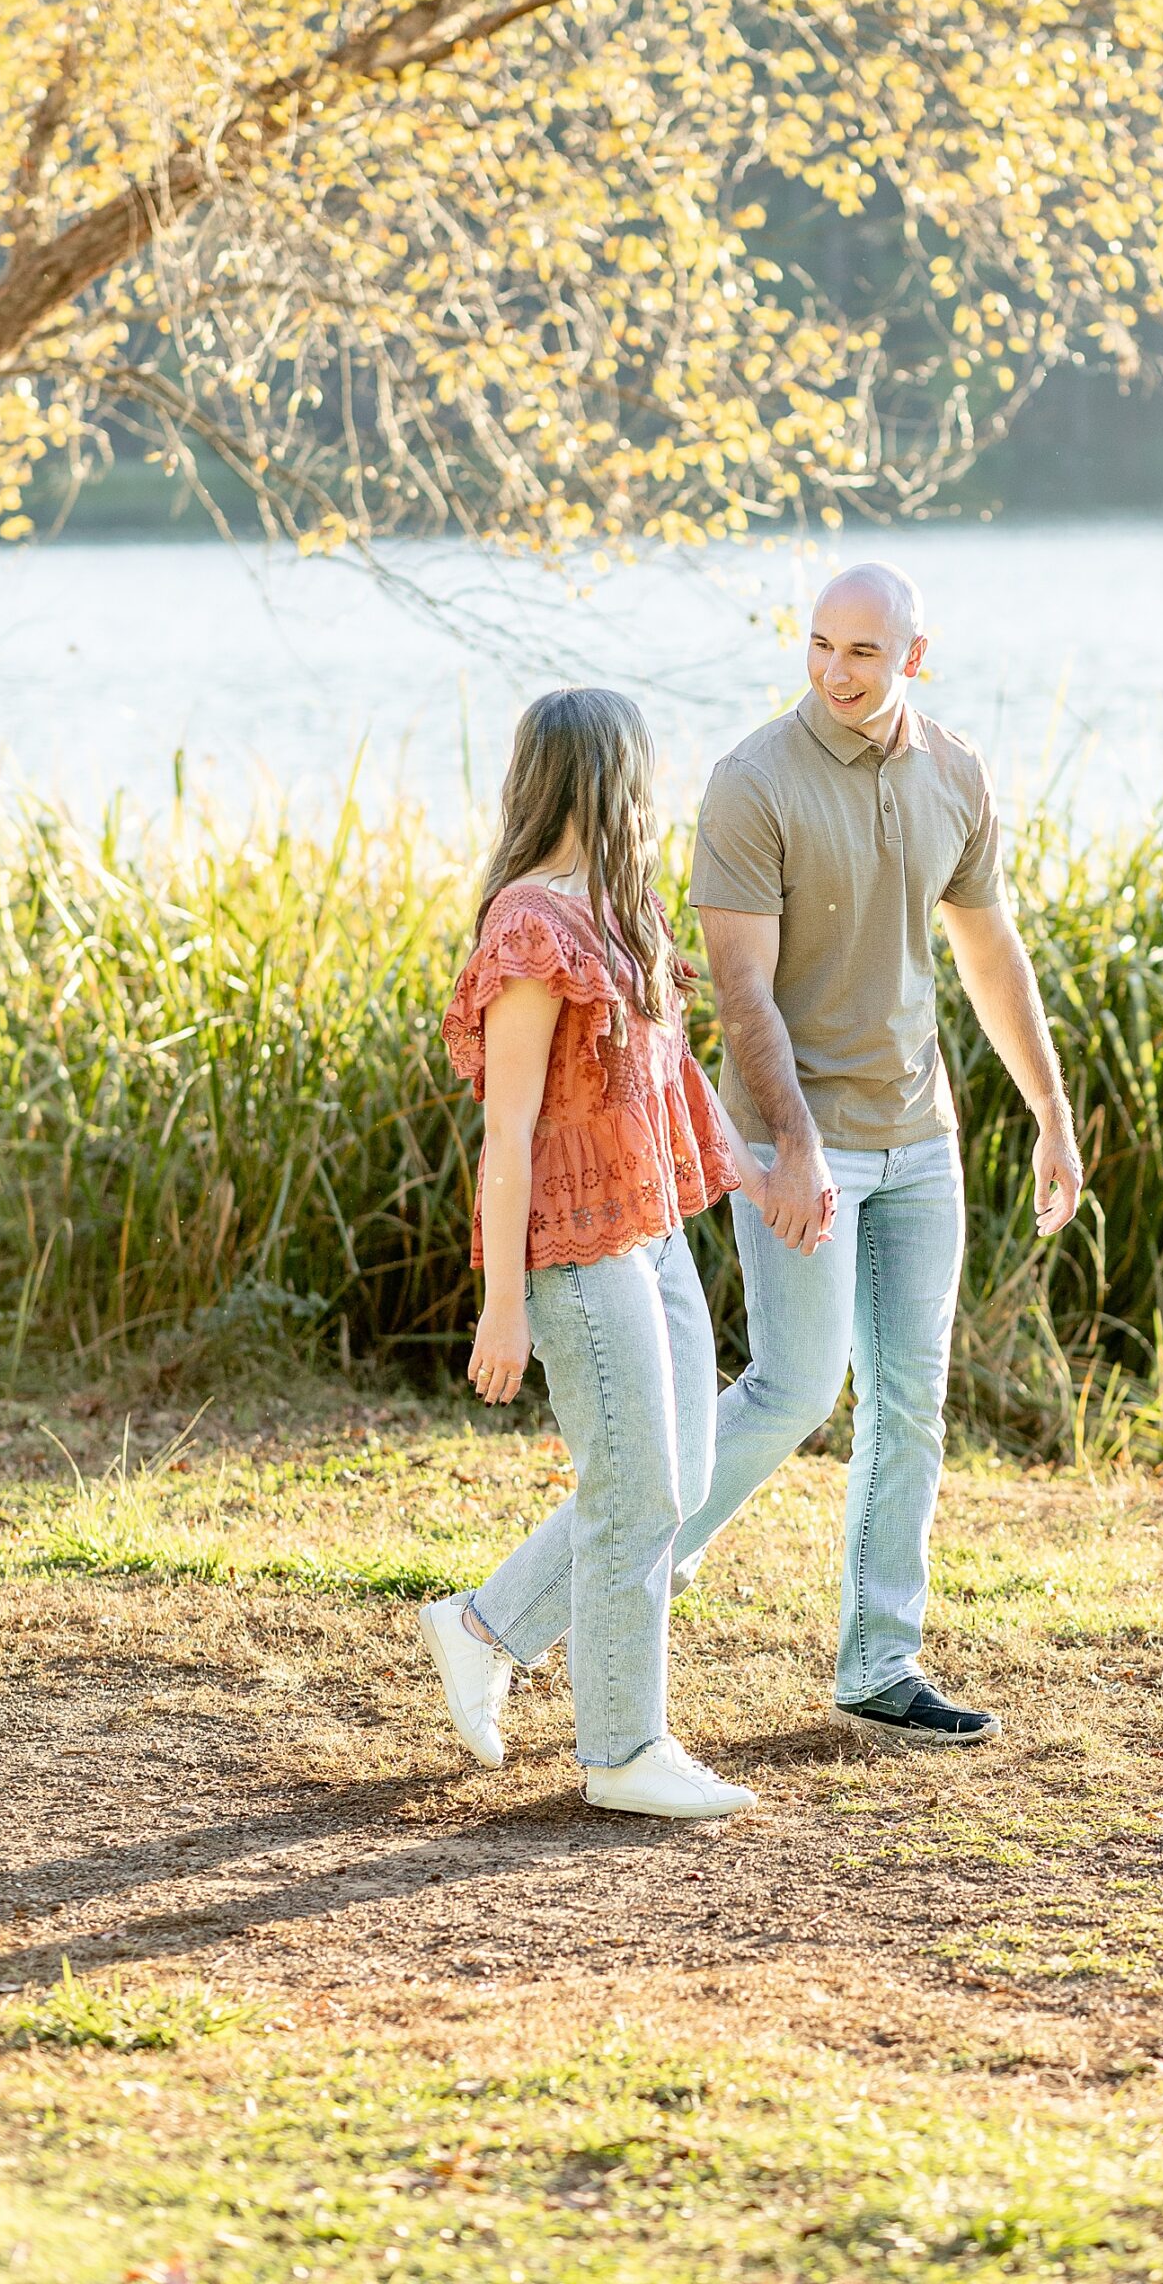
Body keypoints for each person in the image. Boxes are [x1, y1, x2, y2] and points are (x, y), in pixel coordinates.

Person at [671, 558, 1083, 1750]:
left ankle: (880, 1660)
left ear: (914, 654)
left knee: (911, 1402)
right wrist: (793, 1146)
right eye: (819, 645)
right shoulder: (754, 780)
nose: (835, 671)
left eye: (862, 651)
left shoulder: (955, 770)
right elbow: (742, 993)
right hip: (800, 1141)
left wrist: (1048, 1109)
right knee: (790, 1389)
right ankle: (600, 1581)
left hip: (923, 1142)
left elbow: (989, 954)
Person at [418, 687, 776, 1821]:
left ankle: (482, 1626)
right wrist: (504, 1304)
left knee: (671, 1480)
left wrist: (756, 1175)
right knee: (633, 1492)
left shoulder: (626, 911)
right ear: (610, 777)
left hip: (653, 1233)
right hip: (571, 1249)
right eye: (644, 768)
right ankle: (624, 1751)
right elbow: (510, 1131)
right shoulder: (530, 926)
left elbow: (671, 1082)